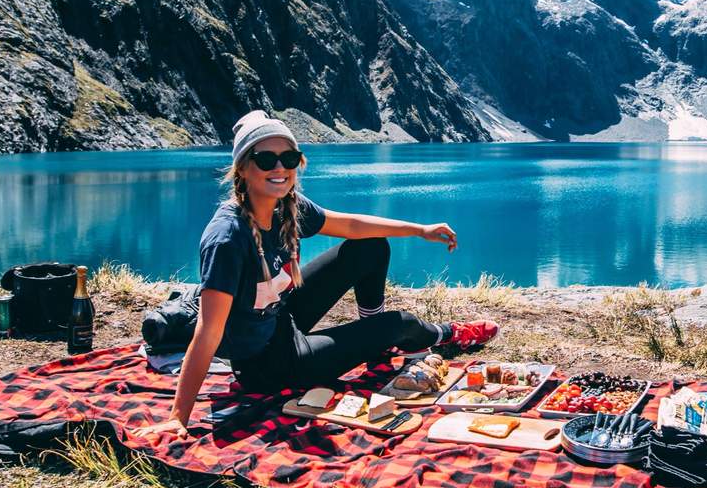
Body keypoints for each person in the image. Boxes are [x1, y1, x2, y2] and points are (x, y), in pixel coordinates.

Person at [135, 110, 498, 438]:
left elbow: (352, 225)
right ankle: (446, 335)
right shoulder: (227, 238)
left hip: (280, 319)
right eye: (266, 159)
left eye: (289, 158)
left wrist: (420, 229)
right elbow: (208, 332)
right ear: (243, 168)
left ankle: (374, 343)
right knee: (398, 323)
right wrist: (179, 417)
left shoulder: (285, 206)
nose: (279, 168)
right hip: (268, 364)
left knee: (370, 245)